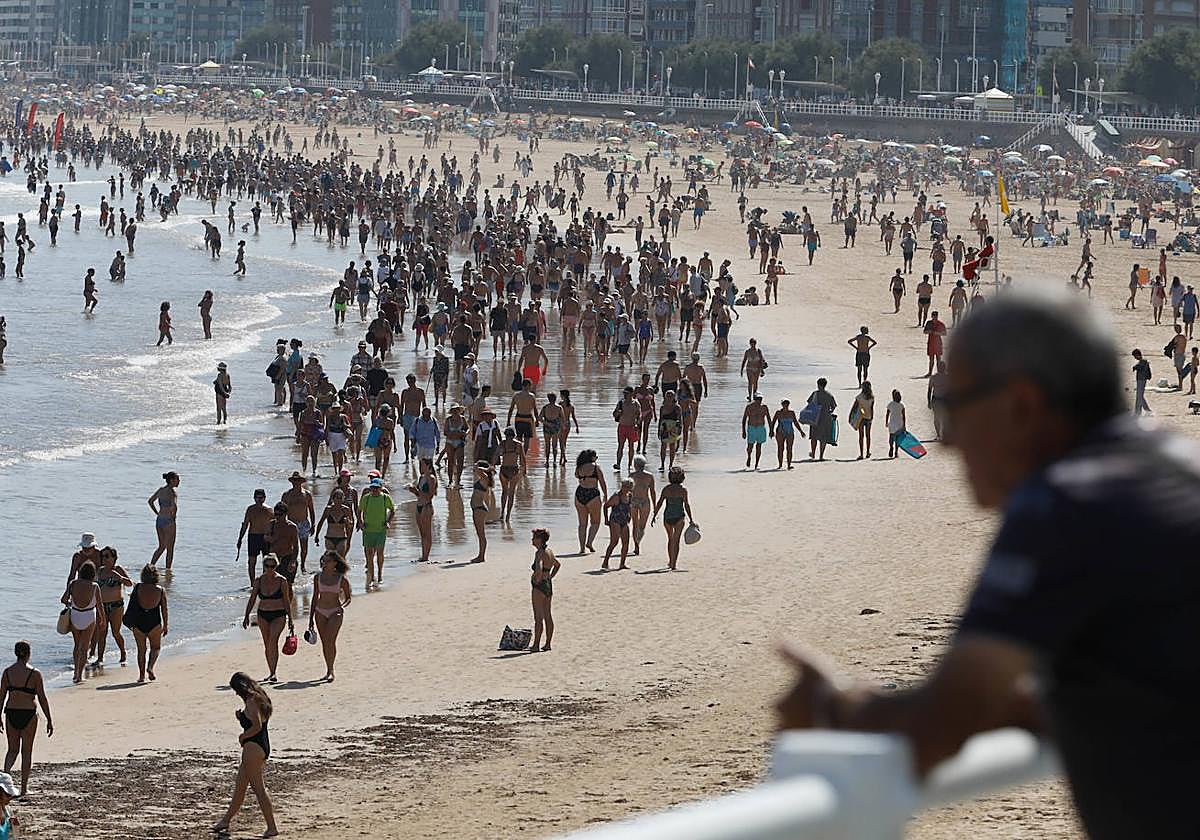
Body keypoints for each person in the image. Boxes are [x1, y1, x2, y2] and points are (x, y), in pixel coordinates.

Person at [775, 291, 1200, 840]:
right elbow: (1133, 683)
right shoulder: (1175, 473)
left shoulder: (1064, 506)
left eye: (949, 412)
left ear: (1021, 404)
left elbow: (937, 732)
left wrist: (833, 706)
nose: (946, 445)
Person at [213, 672, 278, 837]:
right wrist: (241, 718)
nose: (236, 694)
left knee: (259, 790)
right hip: (260, 746)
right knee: (240, 787)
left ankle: (272, 827)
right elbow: (256, 721)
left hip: (253, 749)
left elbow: (255, 726)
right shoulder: (260, 696)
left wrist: (243, 736)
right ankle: (226, 820)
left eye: (236, 690)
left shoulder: (251, 701)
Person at [1, 642, 52, 798]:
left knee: (12, 750)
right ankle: (23, 789)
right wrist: (49, 719)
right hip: (29, 713)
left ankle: (4, 784)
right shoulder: (35, 673)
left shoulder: (8, 672)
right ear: (29, 653)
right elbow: (42, 698)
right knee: (26, 752)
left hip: (11, 713)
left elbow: (1, 696)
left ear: (16, 653)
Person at [243, 555, 294, 683]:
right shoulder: (258, 581)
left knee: (273, 641)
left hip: (279, 614)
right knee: (267, 643)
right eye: (267, 566)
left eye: (272, 566)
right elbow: (252, 599)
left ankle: (273, 673)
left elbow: (286, 601)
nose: (270, 569)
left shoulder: (282, 581)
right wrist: (246, 616)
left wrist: (291, 619)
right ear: (264, 566)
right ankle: (271, 671)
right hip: (263, 615)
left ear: (276, 566)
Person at [308, 552, 351, 682]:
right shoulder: (317, 577)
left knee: (330, 641)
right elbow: (315, 597)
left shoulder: (341, 579)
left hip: (335, 612)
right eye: (323, 560)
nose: (325, 563)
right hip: (320, 612)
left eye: (328, 560)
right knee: (324, 642)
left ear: (335, 563)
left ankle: (330, 671)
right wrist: (310, 619)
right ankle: (328, 669)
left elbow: (348, 598)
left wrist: (343, 606)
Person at [61, 561, 101, 683]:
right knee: (84, 648)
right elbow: (100, 606)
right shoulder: (95, 586)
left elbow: (63, 599)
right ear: (93, 574)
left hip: (75, 615)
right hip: (89, 616)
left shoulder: (73, 583)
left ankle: (75, 673)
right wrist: (103, 620)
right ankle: (79, 675)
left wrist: (71, 604)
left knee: (77, 645)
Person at [94, 546, 132, 665]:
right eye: (102, 556)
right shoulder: (100, 571)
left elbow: (130, 583)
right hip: (102, 606)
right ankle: (99, 658)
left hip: (116, 606)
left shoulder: (118, 569)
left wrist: (120, 578)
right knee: (102, 632)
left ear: (114, 558)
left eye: (107, 556)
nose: (104, 559)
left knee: (116, 632)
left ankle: (122, 652)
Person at [651, 466, 694, 571]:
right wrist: (691, 519)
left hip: (668, 517)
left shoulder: (666, 489)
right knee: (676, 540)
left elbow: (660, 503)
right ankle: (674, 564)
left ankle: (670, 561)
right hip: (679, 516)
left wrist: (654, 515)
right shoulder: (683, 490)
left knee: (670, 539)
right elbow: (686, 505)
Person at [359, 477, 395, 588]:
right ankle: (372, 576)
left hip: (381, 530)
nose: (374, 490)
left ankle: (379, 575)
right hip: (368, 530)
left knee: (380, 554)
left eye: (376, 488)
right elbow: (359, 510)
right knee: (369, 555)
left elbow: (392, 510)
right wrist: (360, 522)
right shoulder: (366, 498)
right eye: (373, 488)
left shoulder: (385, 498)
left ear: (381, 488)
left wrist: (388, 521)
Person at [529, 529, 559, 653]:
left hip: (540, 586)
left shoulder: (540, 553)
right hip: (548, 584)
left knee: (538, 617)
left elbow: (540, 566)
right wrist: (550, 576)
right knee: (548, 615)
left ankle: (536, 645)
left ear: (539, 540)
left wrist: (537, 577)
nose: (532, 540)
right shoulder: (549, 551)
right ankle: (547, 643)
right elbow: (557, 565)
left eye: (534, 537)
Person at [407, 459, 438, 562]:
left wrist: (417, 491)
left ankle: (426, 556)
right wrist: (414, 491)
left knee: (427, 532)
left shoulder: (431, 478)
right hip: (419, 505)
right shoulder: (421, 478)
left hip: (426, 506)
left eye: (423, 465)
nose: (421, 467)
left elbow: (430, 495)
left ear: (428, 466)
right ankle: (423, 554)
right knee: (422, 533)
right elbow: (418, 494)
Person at [147, 471, 180, 568]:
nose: (179, 481)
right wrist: (174, 515)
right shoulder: (172, 493)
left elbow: (150, 501)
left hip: (159, 520)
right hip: (169, 521)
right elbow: (174, 506)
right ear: (171, 480)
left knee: (161, 546)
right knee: (170, 549)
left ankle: (150, 566)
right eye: (177, 479)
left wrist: (157, 513)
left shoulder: (161, 490)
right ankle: (168, 570)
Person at [602, 479, 635, 570]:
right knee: (614, 542)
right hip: (615, 520)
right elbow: (605, 506)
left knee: (626, 542)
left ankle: (622, 564)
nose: (625, 489)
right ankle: (605, 562)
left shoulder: (630, 496)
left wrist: (630, 516)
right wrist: (606, 519)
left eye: (628, 487)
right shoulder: (616, 496)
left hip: (624, 520)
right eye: (624, 486)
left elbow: (629, 506)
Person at [629, 456, 657, 554]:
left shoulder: (631, 475)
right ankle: (638, 543)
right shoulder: (649, 476)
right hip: (645, 501)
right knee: (641, 526)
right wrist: (655, 505)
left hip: (633, 501)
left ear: (635, 465)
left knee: (634, 525)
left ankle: (636, 545)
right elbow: (652, 492)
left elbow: (628, 491)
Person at [805, 378, 838, 461]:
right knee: (823, 437)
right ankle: (821, 456)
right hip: (826, 417)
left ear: (818, 384)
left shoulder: (815, 394)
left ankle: (813, 454)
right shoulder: (829, 395)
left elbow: (809, 403)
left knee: (814, 436)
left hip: (815, 417)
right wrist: (829, 411)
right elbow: (833, 406)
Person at [469, 462, 494, 563]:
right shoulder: (482, 479)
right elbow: (477, 469)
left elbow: (477, 469)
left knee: (481, 534)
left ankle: (481, 556)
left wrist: (487, 469)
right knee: (479, 533)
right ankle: (480, 555)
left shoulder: (485, 479)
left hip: (479, 508)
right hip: (477, 508)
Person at [742, 394, 771, 470]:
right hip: (752, 427)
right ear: (755, 399)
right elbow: (744, 419)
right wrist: (743, 431)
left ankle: (757, 464)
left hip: (761, 428)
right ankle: (749, 457)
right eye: (758, 399)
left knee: (759, 446)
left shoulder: (764, 407)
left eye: (760, 399)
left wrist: (771, 430)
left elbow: (768, 418)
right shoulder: (749, 407)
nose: (759, 400)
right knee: (750, 446)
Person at [851, 382, 875, 460]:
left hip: (860, 418)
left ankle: (861, 454)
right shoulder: (872, 397)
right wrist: (872, 417)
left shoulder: (859, 397)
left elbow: (854, 408)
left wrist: (851, 416)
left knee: (861, 436)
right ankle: (868, 452)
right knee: (868, 435)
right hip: (868, 417)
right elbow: (872, 408)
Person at [1131, 349, 1151, 416]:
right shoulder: (1142, 361)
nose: (1135, 358)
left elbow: (1138, 367)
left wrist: (1135, 367)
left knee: (1139, 397)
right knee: (1140, 396)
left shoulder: (1143, 361)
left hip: (1141, 380)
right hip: (1141, 380)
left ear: (1137, 355)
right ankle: (1147, 410)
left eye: (1135, 356)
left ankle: (1138, 412)